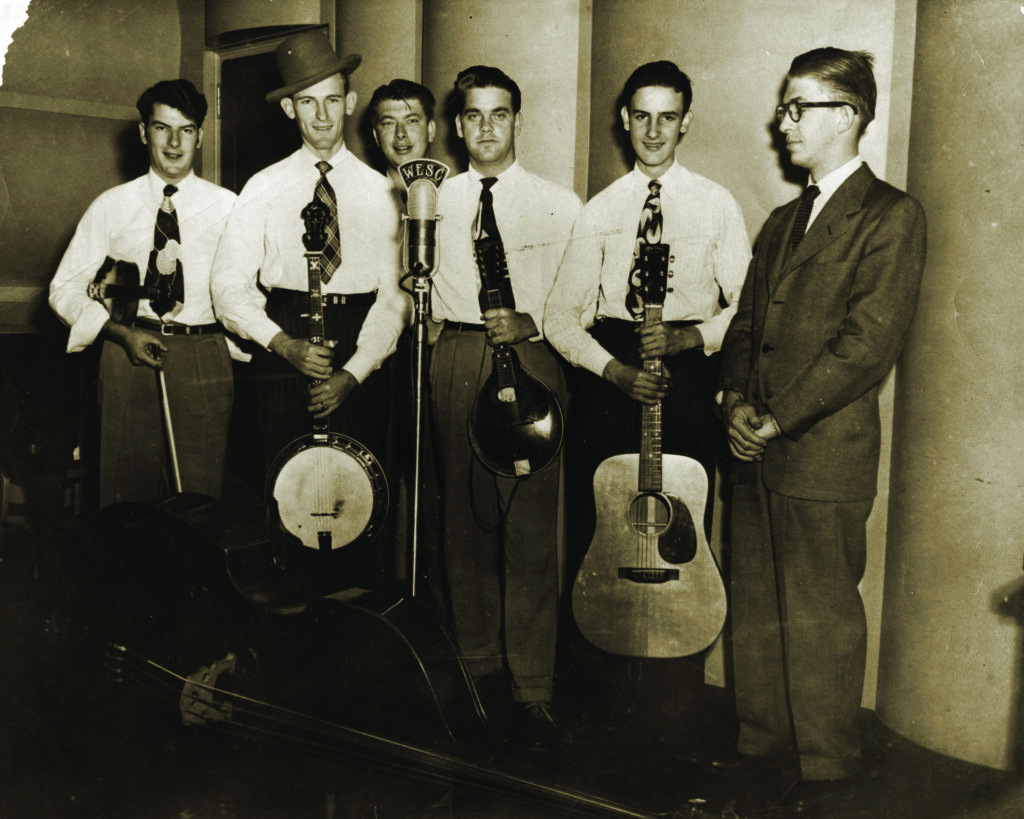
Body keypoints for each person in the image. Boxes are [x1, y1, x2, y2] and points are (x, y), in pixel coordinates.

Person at [716, 48, 926, 808]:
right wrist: (733, 401)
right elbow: (745, 326)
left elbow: (866, 346)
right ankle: (762, 748)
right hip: (757, 448)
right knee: (760, 609)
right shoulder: (780, 221)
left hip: (820, 453)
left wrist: (774, 419)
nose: (784, 122)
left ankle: (829, 769)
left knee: (821, 616)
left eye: (800, 107)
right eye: (786, 106)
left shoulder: (891, 216)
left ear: (849, 116)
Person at [543, 61, 750, 742]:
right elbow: (561, 318)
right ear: (623, 119)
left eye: (668, 116)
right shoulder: (600, 209)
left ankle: (674, 710)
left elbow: (745, 309)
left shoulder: (716, 204)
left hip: (686, 384)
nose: (654, 130)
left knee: (679, 536)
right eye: (642, 115)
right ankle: (596, 715)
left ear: (686, 120)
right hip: (610, 384)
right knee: (601, 535)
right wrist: (612, 372)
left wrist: (693, 334)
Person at [211, 32, 407, 587]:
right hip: (284, 339)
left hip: (359, 343)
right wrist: (281, 343)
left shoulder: (382, 192)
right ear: (290, 109)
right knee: (287, 503)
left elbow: (395, 297)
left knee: (360, 507)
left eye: (332, 99)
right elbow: (228, 284)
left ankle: (352, 641)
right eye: (307, 101)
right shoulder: (263, 187)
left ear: (349, 101)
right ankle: (292, 644)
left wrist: (354, 371)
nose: (321, 114)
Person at [430, 65, 582, 748]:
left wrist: (534, 325)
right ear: (457, 125)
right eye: (473, 115)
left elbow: (579, 301)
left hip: (534, 358)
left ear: (517, 121)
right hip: (458, 359)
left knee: (529, 531)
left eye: (499, 114)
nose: (486, 127)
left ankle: (533, 686)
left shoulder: (560, 204)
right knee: (463, 524)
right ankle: (477, 669)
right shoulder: (431, 200)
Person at [50, 79, 237, 508]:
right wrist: (118, 333)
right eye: (161, 128)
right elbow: (63, 288)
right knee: (126, 503)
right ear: (142, 133)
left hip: (203, 354)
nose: (174, 142)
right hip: (127, 353)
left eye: (186, 129)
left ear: (201, 136)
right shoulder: (112, 204)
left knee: (199, 503)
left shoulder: (230, 207)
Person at [368, 78, 437, 197]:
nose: (400, 133)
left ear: (430, 130)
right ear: (376, 136)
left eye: (412, 121)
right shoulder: (361, 200)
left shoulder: (455, 199)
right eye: (388, 123)